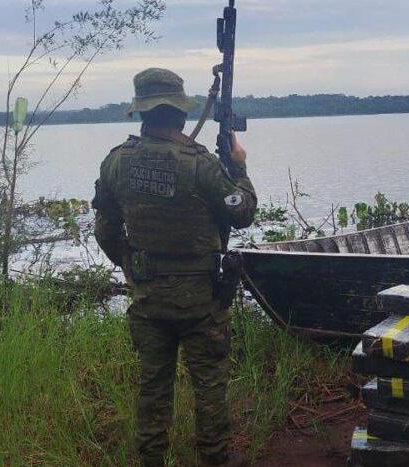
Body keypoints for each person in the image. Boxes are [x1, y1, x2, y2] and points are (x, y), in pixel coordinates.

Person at [92, 67, 257, 467]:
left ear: (143, 113)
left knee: (153, 389)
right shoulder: (199, 164)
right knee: (210, 388)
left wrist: (132, 267)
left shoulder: (116, 162)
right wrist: (239, 167)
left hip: (148, 298)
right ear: (180, 114)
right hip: (202, 301)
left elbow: (105, 230)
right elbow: (243, 213)